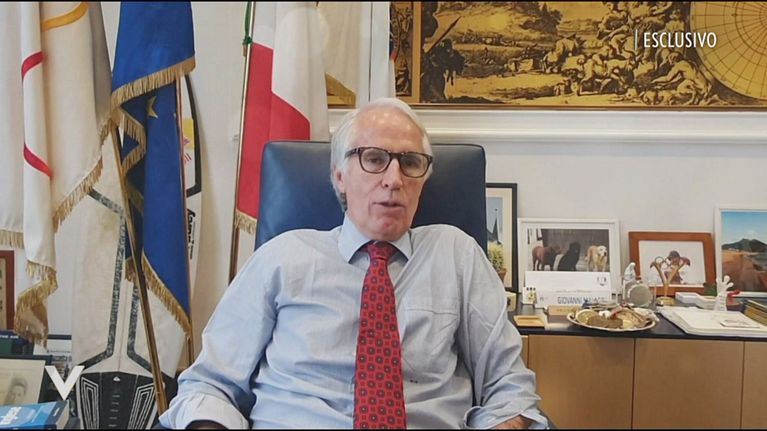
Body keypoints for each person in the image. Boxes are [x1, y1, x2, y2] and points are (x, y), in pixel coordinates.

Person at [160, 98, 547, 429]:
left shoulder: (456, 255)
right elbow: (210, 384)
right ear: (340, 176)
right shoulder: (283, 257)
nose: (394, 179)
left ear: (423, 180)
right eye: (374, 159)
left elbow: (509, 388)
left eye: (410, 162)